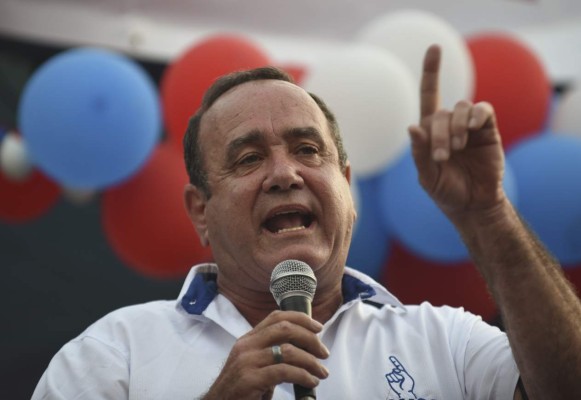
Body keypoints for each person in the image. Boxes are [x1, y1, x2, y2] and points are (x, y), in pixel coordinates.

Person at [32, 45, 581, 400]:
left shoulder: (444, 341)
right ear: (201, 211)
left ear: (346, 186)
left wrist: (488, 212)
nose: (284, 174)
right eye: (248, 159)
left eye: (307, 149)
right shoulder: (112, 354)